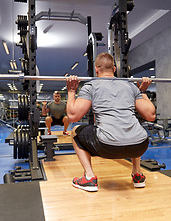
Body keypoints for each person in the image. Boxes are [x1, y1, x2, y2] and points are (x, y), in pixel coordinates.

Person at [66, 53, 156, 192]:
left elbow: (72, 116)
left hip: (107, 146)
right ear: (114, 69)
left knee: (75, 131)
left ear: (96, 70)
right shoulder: (131, 86)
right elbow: (151, 115)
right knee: (132, 127)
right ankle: (137, 174)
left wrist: (71, 91)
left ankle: (89, 177)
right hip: (140, 145)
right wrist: (142, 91)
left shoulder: (91, 86)